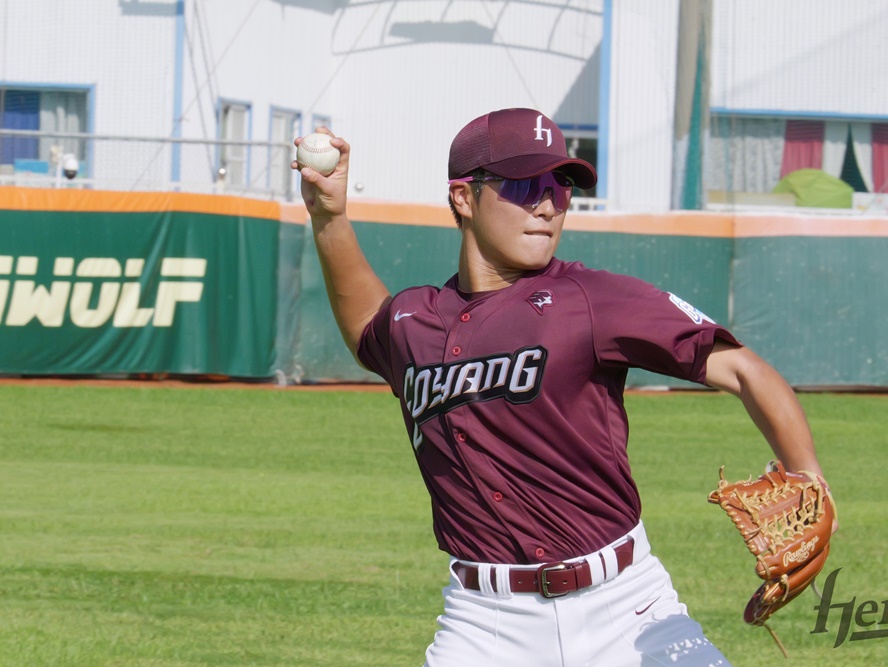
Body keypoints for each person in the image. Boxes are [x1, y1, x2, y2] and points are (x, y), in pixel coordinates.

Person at [293, 107, 830, 667]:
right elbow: (365, 326)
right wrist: (329, 215)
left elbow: (745, 370)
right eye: (525, 185)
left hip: (626, 607)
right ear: (463, 198)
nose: (548, 205)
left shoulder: (590, 299)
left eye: (561, 187)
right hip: (485, 623)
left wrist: (810, 478)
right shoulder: (413, 322)